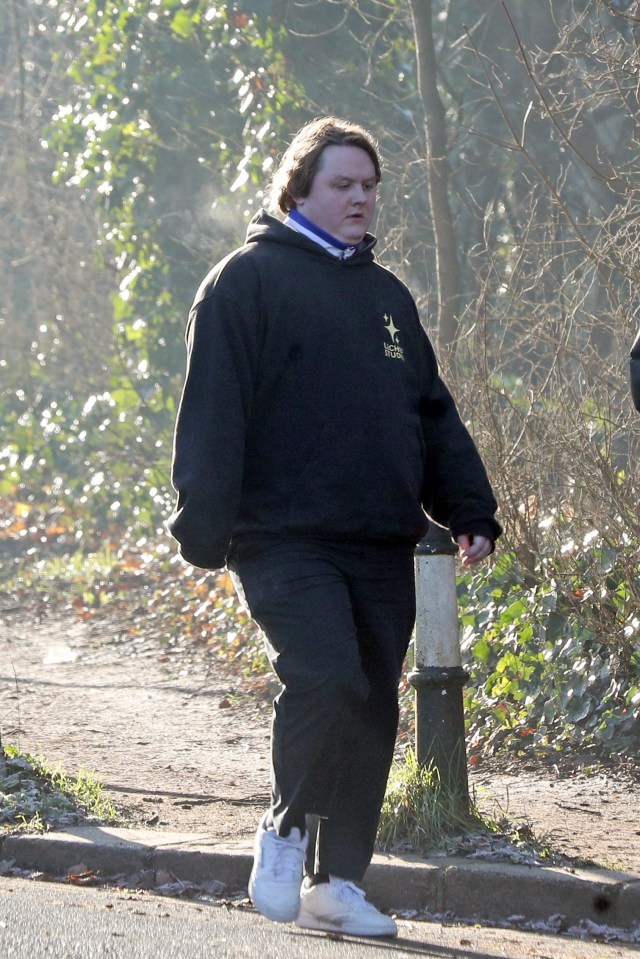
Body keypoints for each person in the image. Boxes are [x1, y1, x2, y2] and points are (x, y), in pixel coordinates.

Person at [168, 116, 501, 938]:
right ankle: (283, 827)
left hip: (379, 536)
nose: (361, 198)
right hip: (282, 535)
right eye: (343, 184)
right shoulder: (243, 282)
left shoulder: (387, 297)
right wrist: (202, 526)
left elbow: (430, 412)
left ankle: (336, 881)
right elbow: (211, 415)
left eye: (369, 185)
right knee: (323, 674)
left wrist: (470, 507)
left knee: (370, 706)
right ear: (299, 190)